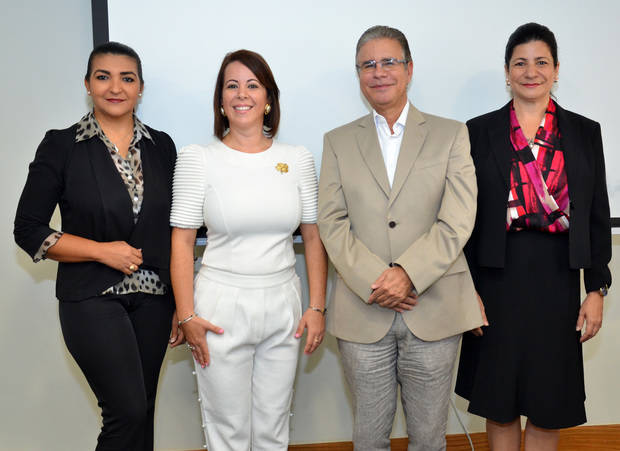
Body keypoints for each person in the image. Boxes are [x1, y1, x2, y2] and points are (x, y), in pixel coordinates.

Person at [318, 25, 483, 450]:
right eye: (367, 65)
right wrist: (380, 278)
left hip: (435, 307)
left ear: (409, 69)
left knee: (428, 438)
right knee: (368, 437)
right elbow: (332, 223)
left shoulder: (451, 134)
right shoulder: (337, 142)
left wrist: (408, 273)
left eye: (389, 61)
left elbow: (458, 218)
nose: (379, 72)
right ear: (358, 75)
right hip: (362, 307)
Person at [13, 42, 178, 450]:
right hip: (90, 296)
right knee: (126, 411)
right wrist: (102, 250)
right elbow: (29, 228)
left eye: (127, 78)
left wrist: (180, 303)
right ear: (88, 85)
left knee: (144, 410)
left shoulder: (163, 147)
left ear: (141, 88)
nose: (115, 87)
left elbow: (175, 230)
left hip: (155, 300)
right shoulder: (62, 145)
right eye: (103, 76)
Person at [456, 22, 611, 451]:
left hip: (558, 279)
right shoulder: (478, 131)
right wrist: (467, 291)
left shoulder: (583, 132)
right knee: (500, 401)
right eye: (520, 63)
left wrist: (595, 288)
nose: (531, 71)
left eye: (541, 62)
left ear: (556, 69)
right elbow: (463, 220)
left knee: (549, 401)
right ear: (506, 72)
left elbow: (596, 214)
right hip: (495, 279)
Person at [169, 49, 327, 451]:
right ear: (221, 101)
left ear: (269, 98)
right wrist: (187, 314)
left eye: (253, 85)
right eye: (232, 85)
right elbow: (183, 242)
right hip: (219, 305)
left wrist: (317, 307)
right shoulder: (197, 159)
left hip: (283, 304)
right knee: (228, 432)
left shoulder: (297, 159)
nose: (243, 94)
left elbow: (313, 237)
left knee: (274, 428)